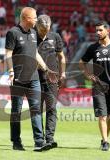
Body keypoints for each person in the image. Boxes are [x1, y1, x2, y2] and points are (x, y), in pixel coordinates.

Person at [5, 7, 57, 152]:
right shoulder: (12, 33)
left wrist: (46, 69)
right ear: (26, 18)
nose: (36, 20)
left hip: (34, 78)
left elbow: (35, 53)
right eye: (34, 18)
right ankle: (16, 142)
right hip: (18, 79)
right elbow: (8, 54)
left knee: (36, 110)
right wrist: (10, 71)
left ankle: (39, 142)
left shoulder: (34, 33)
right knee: (16, 111)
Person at [79, 21, 110, 151]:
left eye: (100, 30)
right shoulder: (92, 48)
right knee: (102, 115)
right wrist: (88, 75)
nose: (98, 32)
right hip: (98, 86)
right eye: (96, 30)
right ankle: (105, 142)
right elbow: (82, 62)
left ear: (108, 31)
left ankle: (105, 136)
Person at [36, 15, 66, 149]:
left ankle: (50, 138)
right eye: (42, 30)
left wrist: (63, 73)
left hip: (52, 79)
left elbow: (61, 56)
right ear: (37, 26)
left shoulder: (56, 37)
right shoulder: (31, 37)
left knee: (52, 108)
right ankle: (39, 139)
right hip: (34, 78)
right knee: (36, 110)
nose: (45, 32)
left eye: (47, 29)